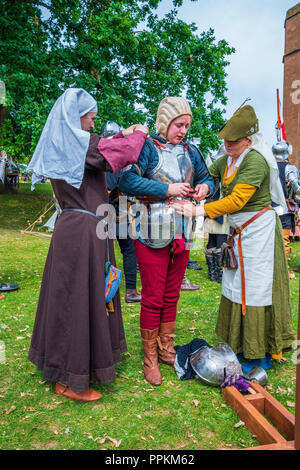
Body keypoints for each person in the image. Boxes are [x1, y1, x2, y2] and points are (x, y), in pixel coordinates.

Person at [27, 88, 148, 401]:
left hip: (76, 227)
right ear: (76, 116)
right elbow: (120, 154)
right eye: (91, 117)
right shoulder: (79, 144)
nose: (94, 123)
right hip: (82, 232)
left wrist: (122, 132)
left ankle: (80, 364)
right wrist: (139, 133)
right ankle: (69, 379)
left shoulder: (67, 142)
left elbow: (103, 147)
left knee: (81, 295)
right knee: (76, 300)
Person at [172, 105, 295, 374]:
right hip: (238, 232)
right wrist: (204, 185)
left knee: (255, 291)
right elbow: (210, 173)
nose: (227, 145)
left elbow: (238, 199)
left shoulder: (255, 161)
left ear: (249, 140)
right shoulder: (229, 157)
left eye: (234, 141)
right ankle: (236, 346)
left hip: (259, 233)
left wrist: (199, 210)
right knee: (234, 287)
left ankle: (257, 353)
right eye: (225, 140)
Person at [119, 96, 215, 386]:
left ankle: (166, 348)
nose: (183, 130)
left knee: (172, 294)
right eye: (178, 124)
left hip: (182, 230)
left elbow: (209, 179)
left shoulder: (191, 150)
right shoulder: (147, 147)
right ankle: (149, 356)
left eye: (187, 125)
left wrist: (203, 188)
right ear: (165, 121)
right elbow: (128, 182)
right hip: (150, 230)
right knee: (153, 296)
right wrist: (168, 188)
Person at [102, 121, 141, 303]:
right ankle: (131, 291)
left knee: (105, 251)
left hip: (105, 206)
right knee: (127, 250)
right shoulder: (121, 151)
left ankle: (102, 288)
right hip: (118, 204)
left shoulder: (101, 151)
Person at [272, 140, 300, 261]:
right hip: (284, 208)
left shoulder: (268, 167)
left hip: (268, 207)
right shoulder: (289, 168)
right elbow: (295, 185)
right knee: (284, 241)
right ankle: (284, 271)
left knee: (271, 240)